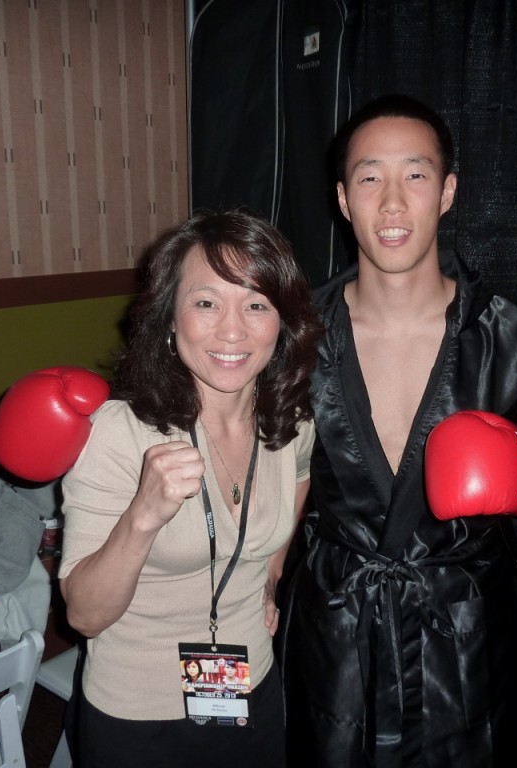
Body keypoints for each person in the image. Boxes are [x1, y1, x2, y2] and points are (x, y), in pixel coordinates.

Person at [281, 94, 517, 767]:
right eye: (370, 176)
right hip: (335, 626)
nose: (393, 201)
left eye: (416, 174)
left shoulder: (515, 341)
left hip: (463, 633)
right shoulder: (295, 337)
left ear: (448, 192)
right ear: (344, 199)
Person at [57, 209, 323, 768]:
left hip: (252, 689)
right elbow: (83, 615)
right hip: (136, 715)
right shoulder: (116, 432)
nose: (233, 330)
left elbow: (298, 481)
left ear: (282, 323)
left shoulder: (289, 421)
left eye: (256, 305)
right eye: (207, 303)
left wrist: (270, 579)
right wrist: (143, 514)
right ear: (169, 318)